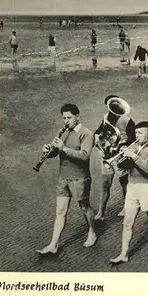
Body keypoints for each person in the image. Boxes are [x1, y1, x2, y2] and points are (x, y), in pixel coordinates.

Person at [36, 104, 97, 254]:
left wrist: (64, 148)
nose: (66, 121)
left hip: (79, 179)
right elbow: (56, 153)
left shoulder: (87, 134)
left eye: (69, 118)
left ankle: (92, 232)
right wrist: (48, 152)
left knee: (84, 207)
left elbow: (84, 156)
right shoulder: (62, 131)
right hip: (63, 177)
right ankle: (53, 244)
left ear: (78, 116)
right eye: (64, 118)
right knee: (60, 212)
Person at [109, 121, 148, 263]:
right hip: (132, 186)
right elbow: (124, 167)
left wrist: (133, 156)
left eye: (140, 133)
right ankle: (124, 254)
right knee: (127, 223)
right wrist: (121, 156)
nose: (137, 136)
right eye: (136, 133)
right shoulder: (134, 146)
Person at [94, 95, 136, 220]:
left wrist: (123, 147)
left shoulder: (128, 121)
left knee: (124, 183)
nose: (112, 112)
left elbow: (133, 140)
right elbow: (100, 130)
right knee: (105, 185)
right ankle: (101, 212)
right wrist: (96, 135)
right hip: (107, 156)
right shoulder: (106, 117)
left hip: (119, 156)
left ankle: (126, 208)